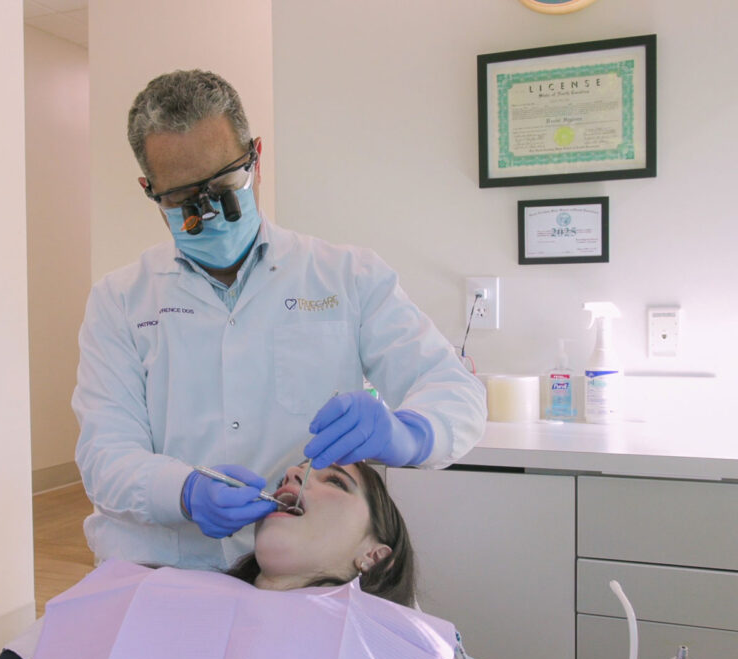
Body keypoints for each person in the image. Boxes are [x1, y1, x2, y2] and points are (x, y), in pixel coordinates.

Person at [74, 69, 487, 571]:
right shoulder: (120, 300)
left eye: (225, 185)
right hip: (160, 569)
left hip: (306, 574)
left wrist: (411, 433)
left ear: (257, 157)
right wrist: (183, 492)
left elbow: (455, 390)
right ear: (150, 189)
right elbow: (105, 455)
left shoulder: (347, 276)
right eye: (184, 201)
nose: (211, 213)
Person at [0, 462, 490, 659]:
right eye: (294, 473)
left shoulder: (401, 639)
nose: (293, 476)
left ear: (375, 554)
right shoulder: (140, 587)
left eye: (335, 482)